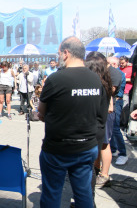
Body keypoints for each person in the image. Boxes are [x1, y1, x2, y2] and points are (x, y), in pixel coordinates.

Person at [38, 36, 104, 208]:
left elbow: (41, 111)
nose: (59, 56)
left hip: (57, 149)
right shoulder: (96, 79)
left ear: (66, 53)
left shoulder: (55, 79)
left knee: (52, 195)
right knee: (84, 195)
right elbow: (99, 112)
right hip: (86, 146)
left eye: (59, 53)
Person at [85, 52, 113, 205]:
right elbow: (109, 108)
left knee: (86, 169)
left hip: (88, 131)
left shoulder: (91, 85)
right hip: (98, 130)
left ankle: (88, 201)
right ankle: (89, 200)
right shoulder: (106, 83)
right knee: (90, 166)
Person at [108, 57, 128, 166]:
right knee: (111, 127)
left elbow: (114, 90)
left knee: (115, 128)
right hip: (114, 101)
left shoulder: (118, 74)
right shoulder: (113, 74)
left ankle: (123, 154)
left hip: (117, 102)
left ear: (114, 64)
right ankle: (114, 149)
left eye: (108, 64)